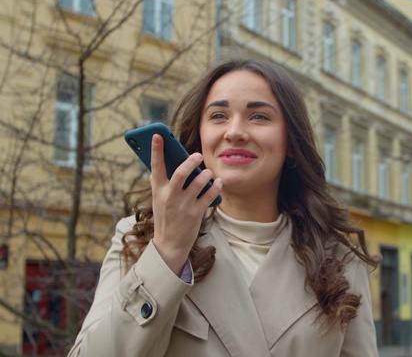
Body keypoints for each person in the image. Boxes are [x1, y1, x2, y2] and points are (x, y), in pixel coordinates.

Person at [68, 56, 380, 357]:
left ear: (291, 144)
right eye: (218, 116)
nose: (235, 132)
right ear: (200, 136)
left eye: (259, 116)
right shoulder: (140, 237)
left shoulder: (338, 258)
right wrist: (167, 252)